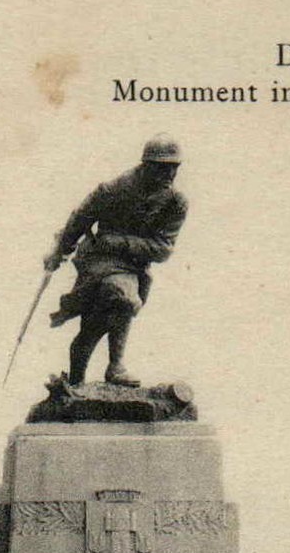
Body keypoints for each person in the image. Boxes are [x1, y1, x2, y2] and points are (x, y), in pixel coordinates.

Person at [44, 135, 188, 387]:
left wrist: (118, 241)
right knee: (118, 300)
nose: (169, 174)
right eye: (162, 167)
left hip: (133, 265)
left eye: (173, 168)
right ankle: (98, 373)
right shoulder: (114, 189)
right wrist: (59, 252)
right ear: (146, 165)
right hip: (97, 261)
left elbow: (163, 249)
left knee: (100, 320)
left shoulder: (175, 203)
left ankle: (100, 371)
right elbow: (80, 219)